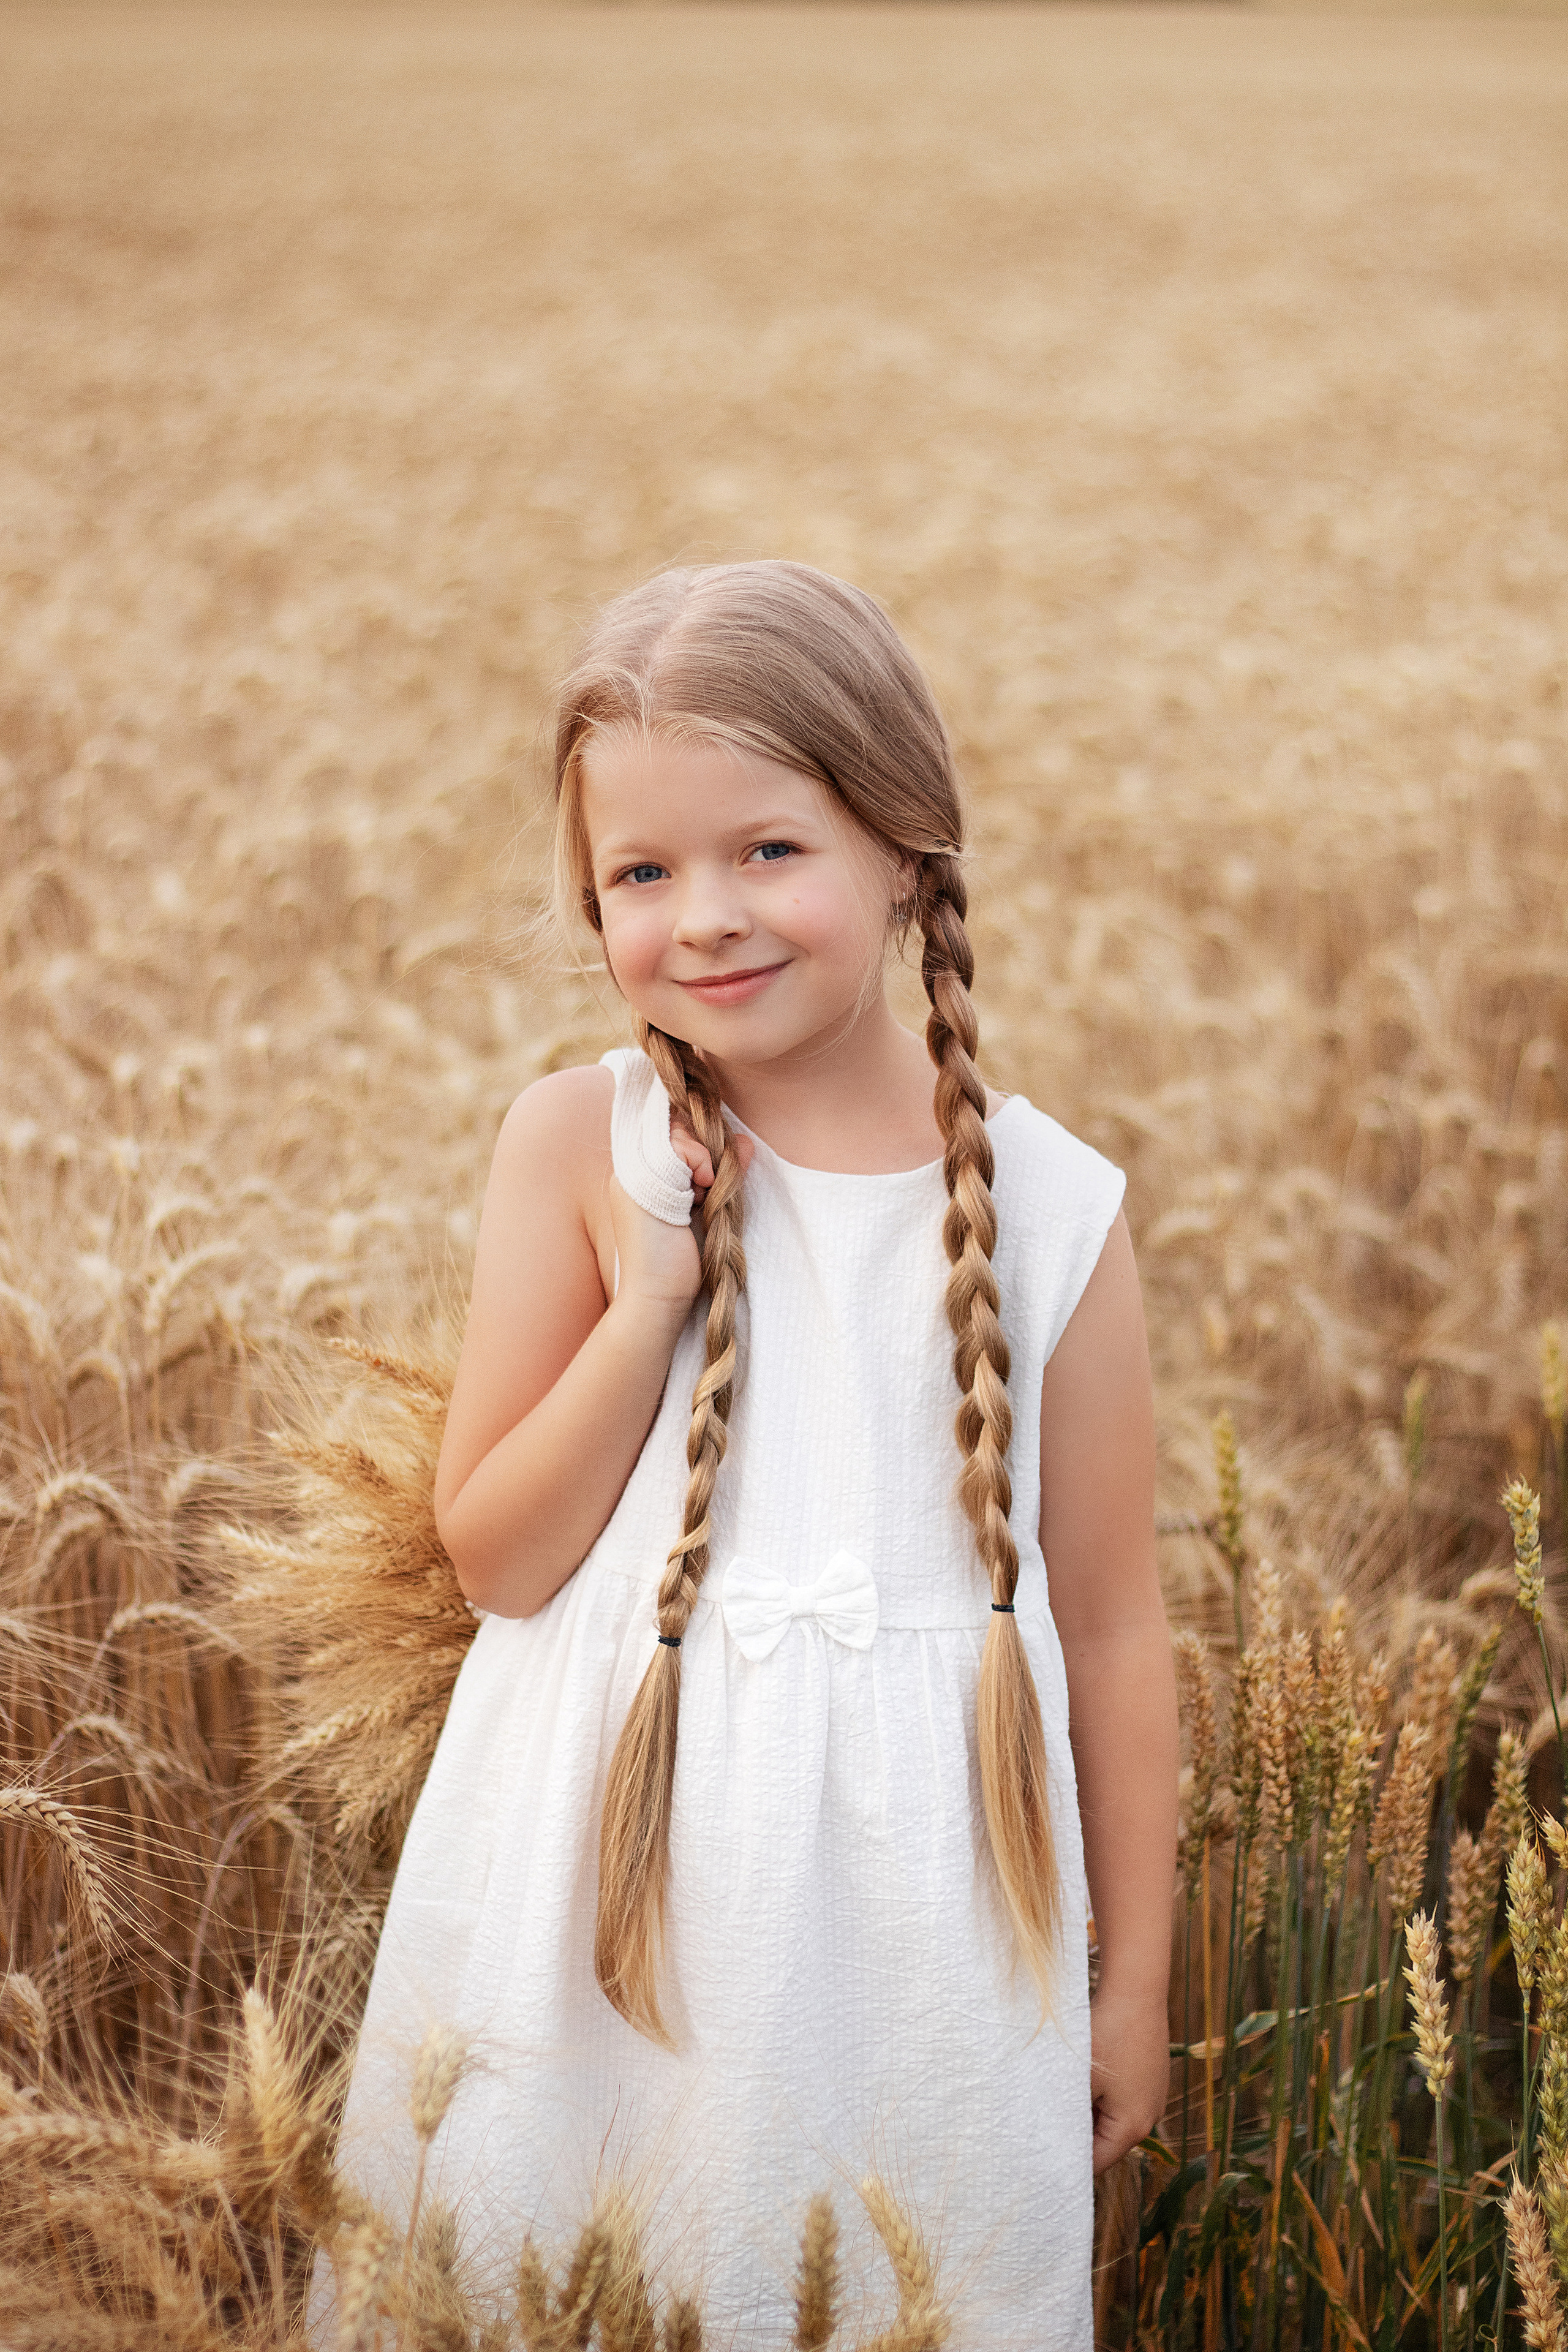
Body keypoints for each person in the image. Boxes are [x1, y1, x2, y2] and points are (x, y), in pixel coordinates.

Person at [331, 560, 1178, 2347]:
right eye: (640, 874)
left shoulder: (1050, 1211)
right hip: (601, 1904)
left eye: (767, 850)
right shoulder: (579, 1145)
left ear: (906, 850)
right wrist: (648, 1298)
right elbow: (497, 1557)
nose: (703, 917)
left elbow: (1112, 1627)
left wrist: (1139, 1985)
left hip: (932, 1935)